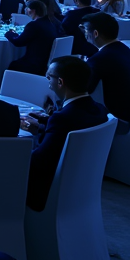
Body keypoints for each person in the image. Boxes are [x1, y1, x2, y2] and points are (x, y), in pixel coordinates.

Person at [22, 57, 108, 211]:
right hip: (79, 185)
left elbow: (39, 161)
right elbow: (69, 131)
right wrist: (42, 127)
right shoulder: (99, 110)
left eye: (49, 77)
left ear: (60, 82)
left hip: (46, 191)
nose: (48, 82)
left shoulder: (62, 118)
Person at [83, 13, 130, 126]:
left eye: (86, 29)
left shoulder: (99, 59)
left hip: (120, 117)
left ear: (95, 33)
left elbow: (84, 89)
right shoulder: (123, 48)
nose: (85, 33)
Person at [5, 0, 63, 76]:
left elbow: (18, 42)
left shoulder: (33, 25)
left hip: (34, 64)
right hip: (45, 61)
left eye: (27, 8)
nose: (26, 10)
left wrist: (8, 34)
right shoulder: (49, 23)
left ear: (32, 10)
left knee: (13, 65)